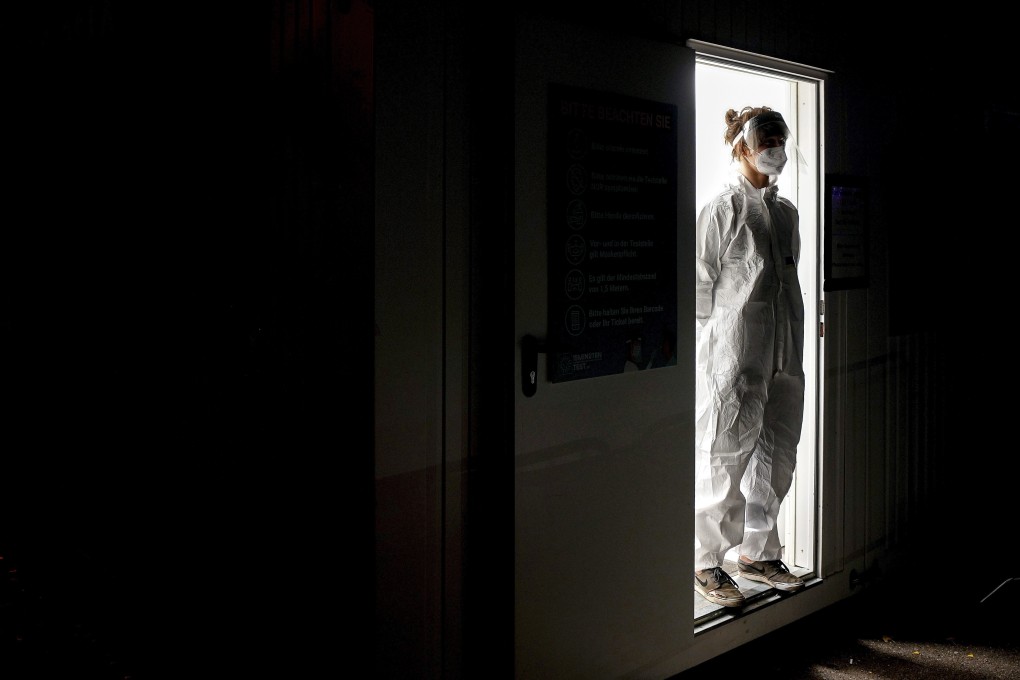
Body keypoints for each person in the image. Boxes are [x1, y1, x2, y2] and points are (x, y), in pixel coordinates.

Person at [693, 106, 807, 607]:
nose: (777, 146)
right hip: (735, 357)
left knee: (777, 455)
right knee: (723, 458)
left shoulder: (785, 213)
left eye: (781, 137)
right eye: (768, 137)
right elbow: (698, 287)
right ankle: (704, 562)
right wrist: (715, 347)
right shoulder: (723, 209)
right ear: (743, 144)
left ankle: (757, 553)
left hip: (784, 354)